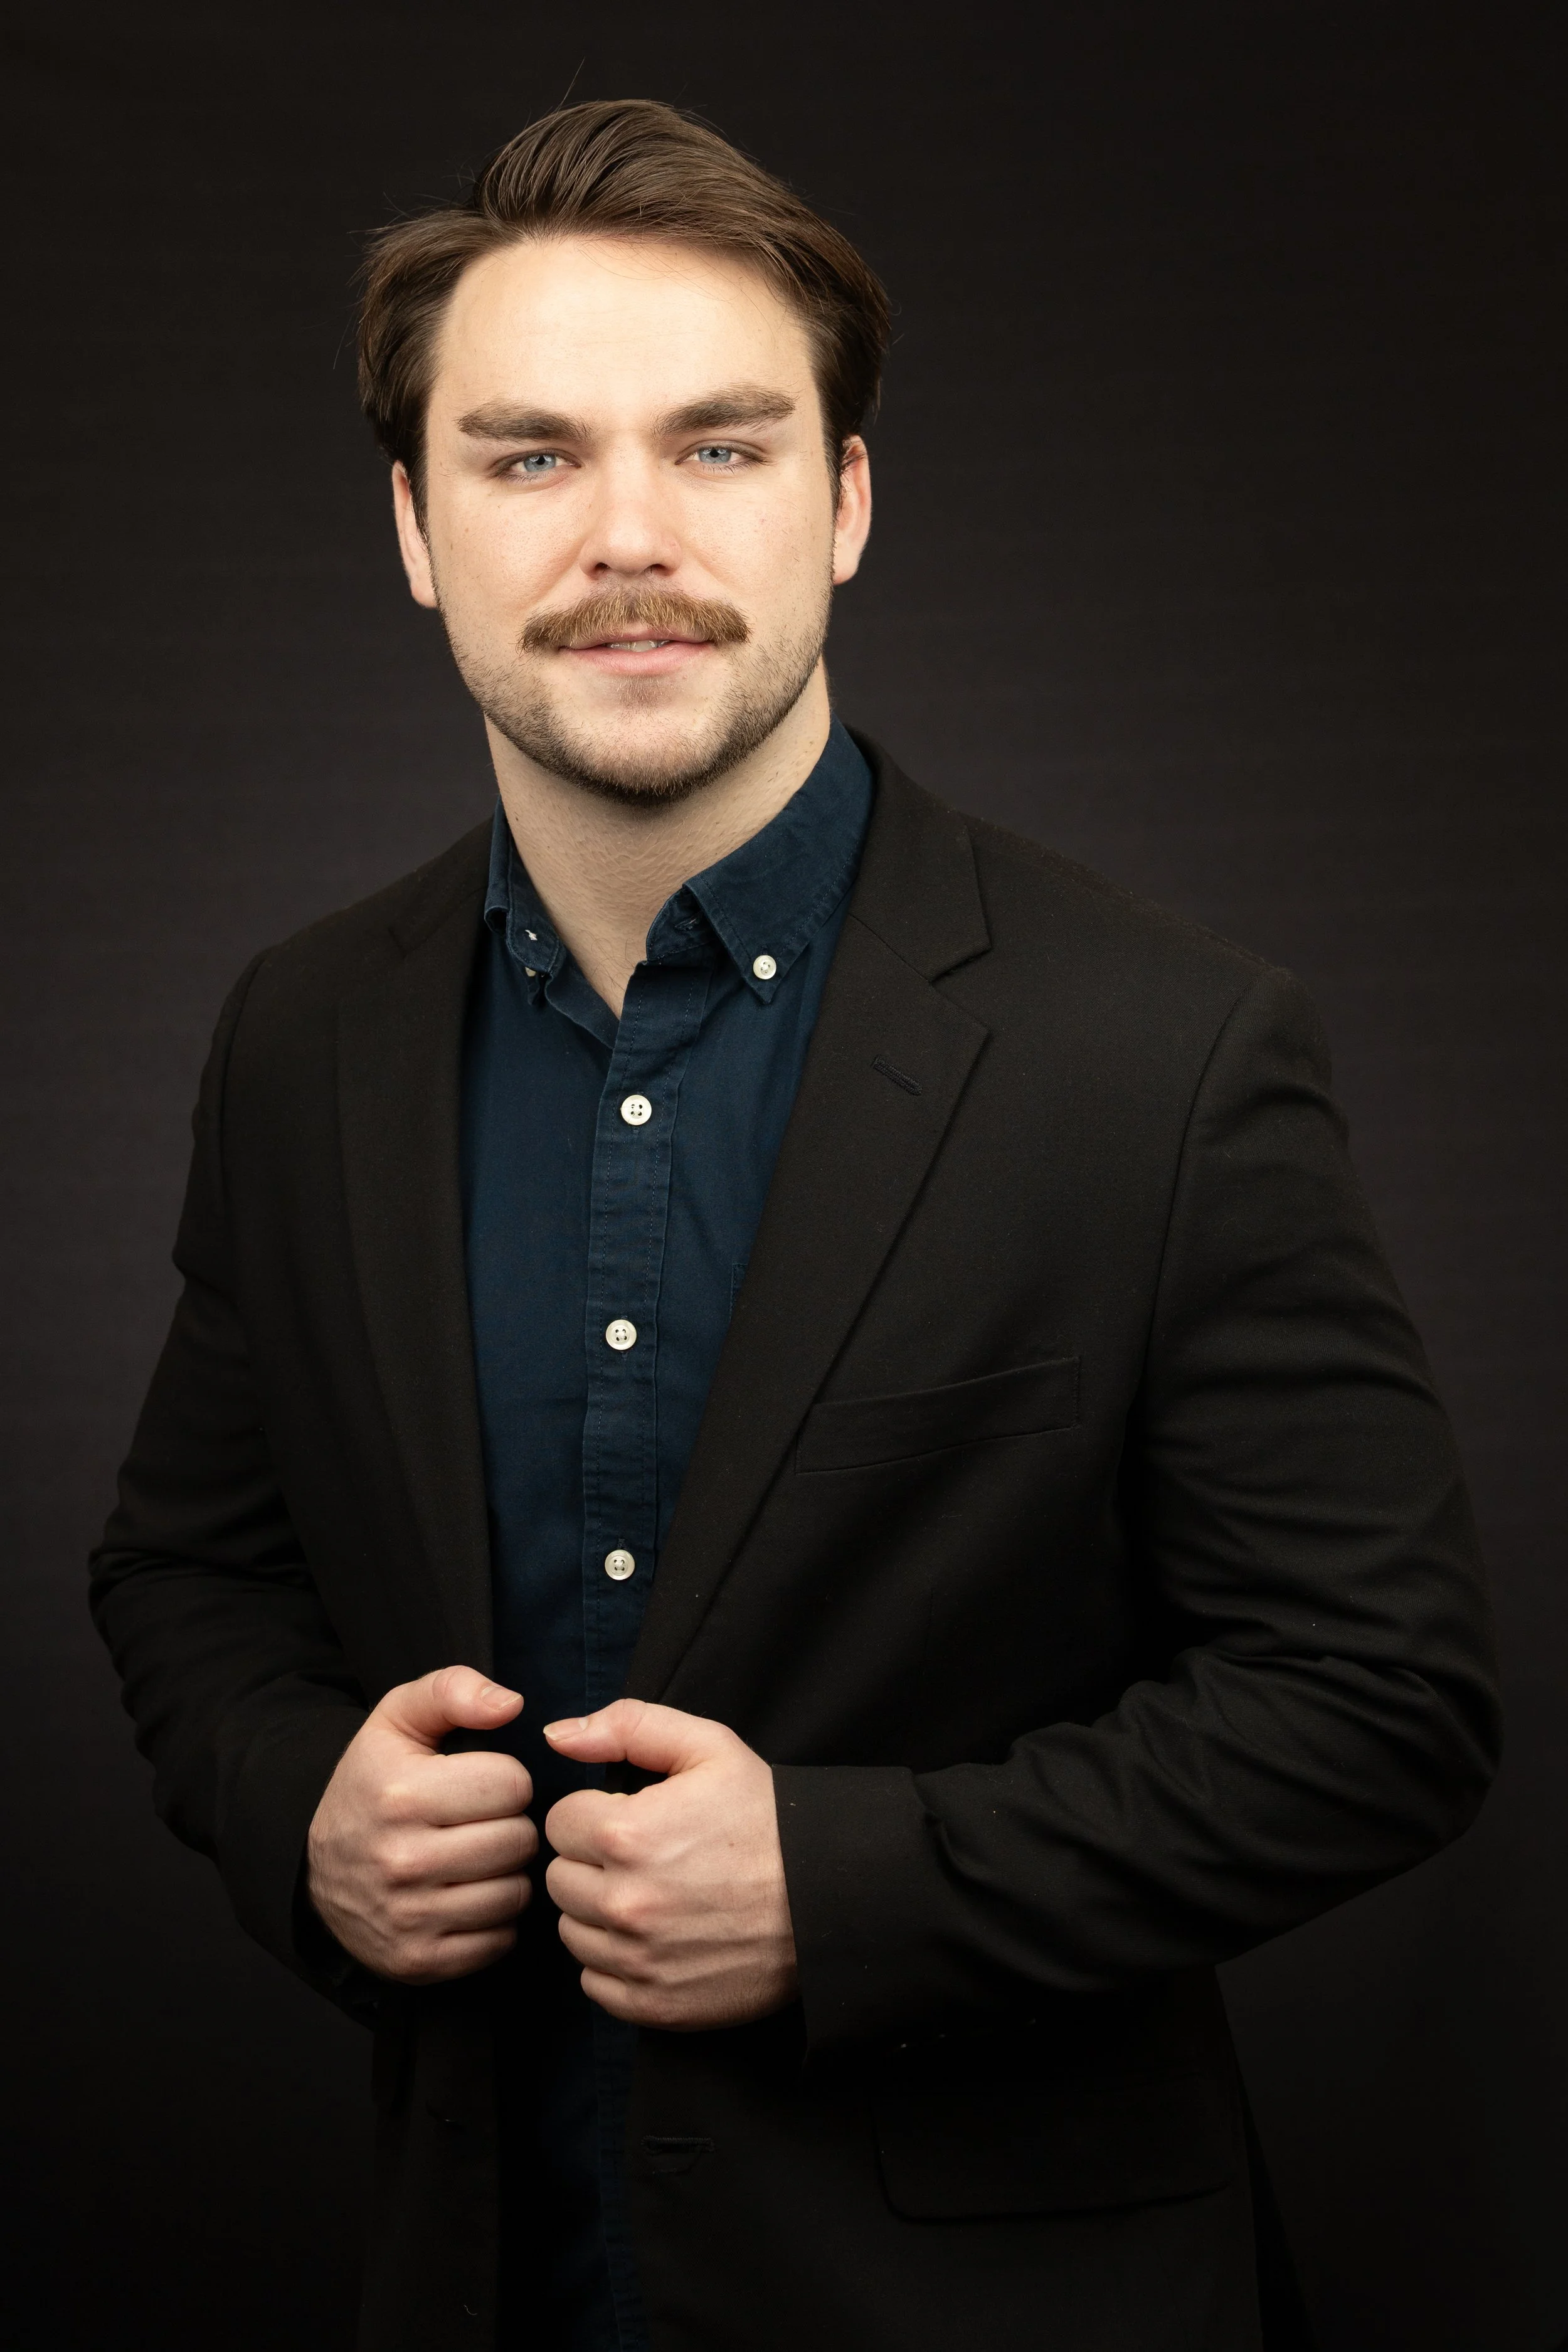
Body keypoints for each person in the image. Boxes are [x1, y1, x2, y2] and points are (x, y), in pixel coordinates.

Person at [90, 98, 1500, 2352]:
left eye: (721, 448)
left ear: (845, 503)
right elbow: (187, 1572)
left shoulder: (1166, 1049)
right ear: (413, 529)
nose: (626, 535)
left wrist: (852, 1889)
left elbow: (1381, 1703)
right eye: (530, 455)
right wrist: (298, 1808)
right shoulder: (300, 1037)